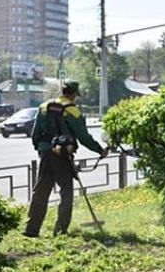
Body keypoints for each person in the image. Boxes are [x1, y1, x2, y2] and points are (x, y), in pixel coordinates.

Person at [23, 81, 108, 238]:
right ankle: (60, 230)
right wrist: (100, 150)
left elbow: (35, 135)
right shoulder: (73, 112)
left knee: (40, 192)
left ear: (62, 91)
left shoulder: (43, 107)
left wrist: (42, 149)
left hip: (46, 154)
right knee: (66, 192)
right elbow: (84, 137)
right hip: (63, 156)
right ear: (74, 94)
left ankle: (31, 230)